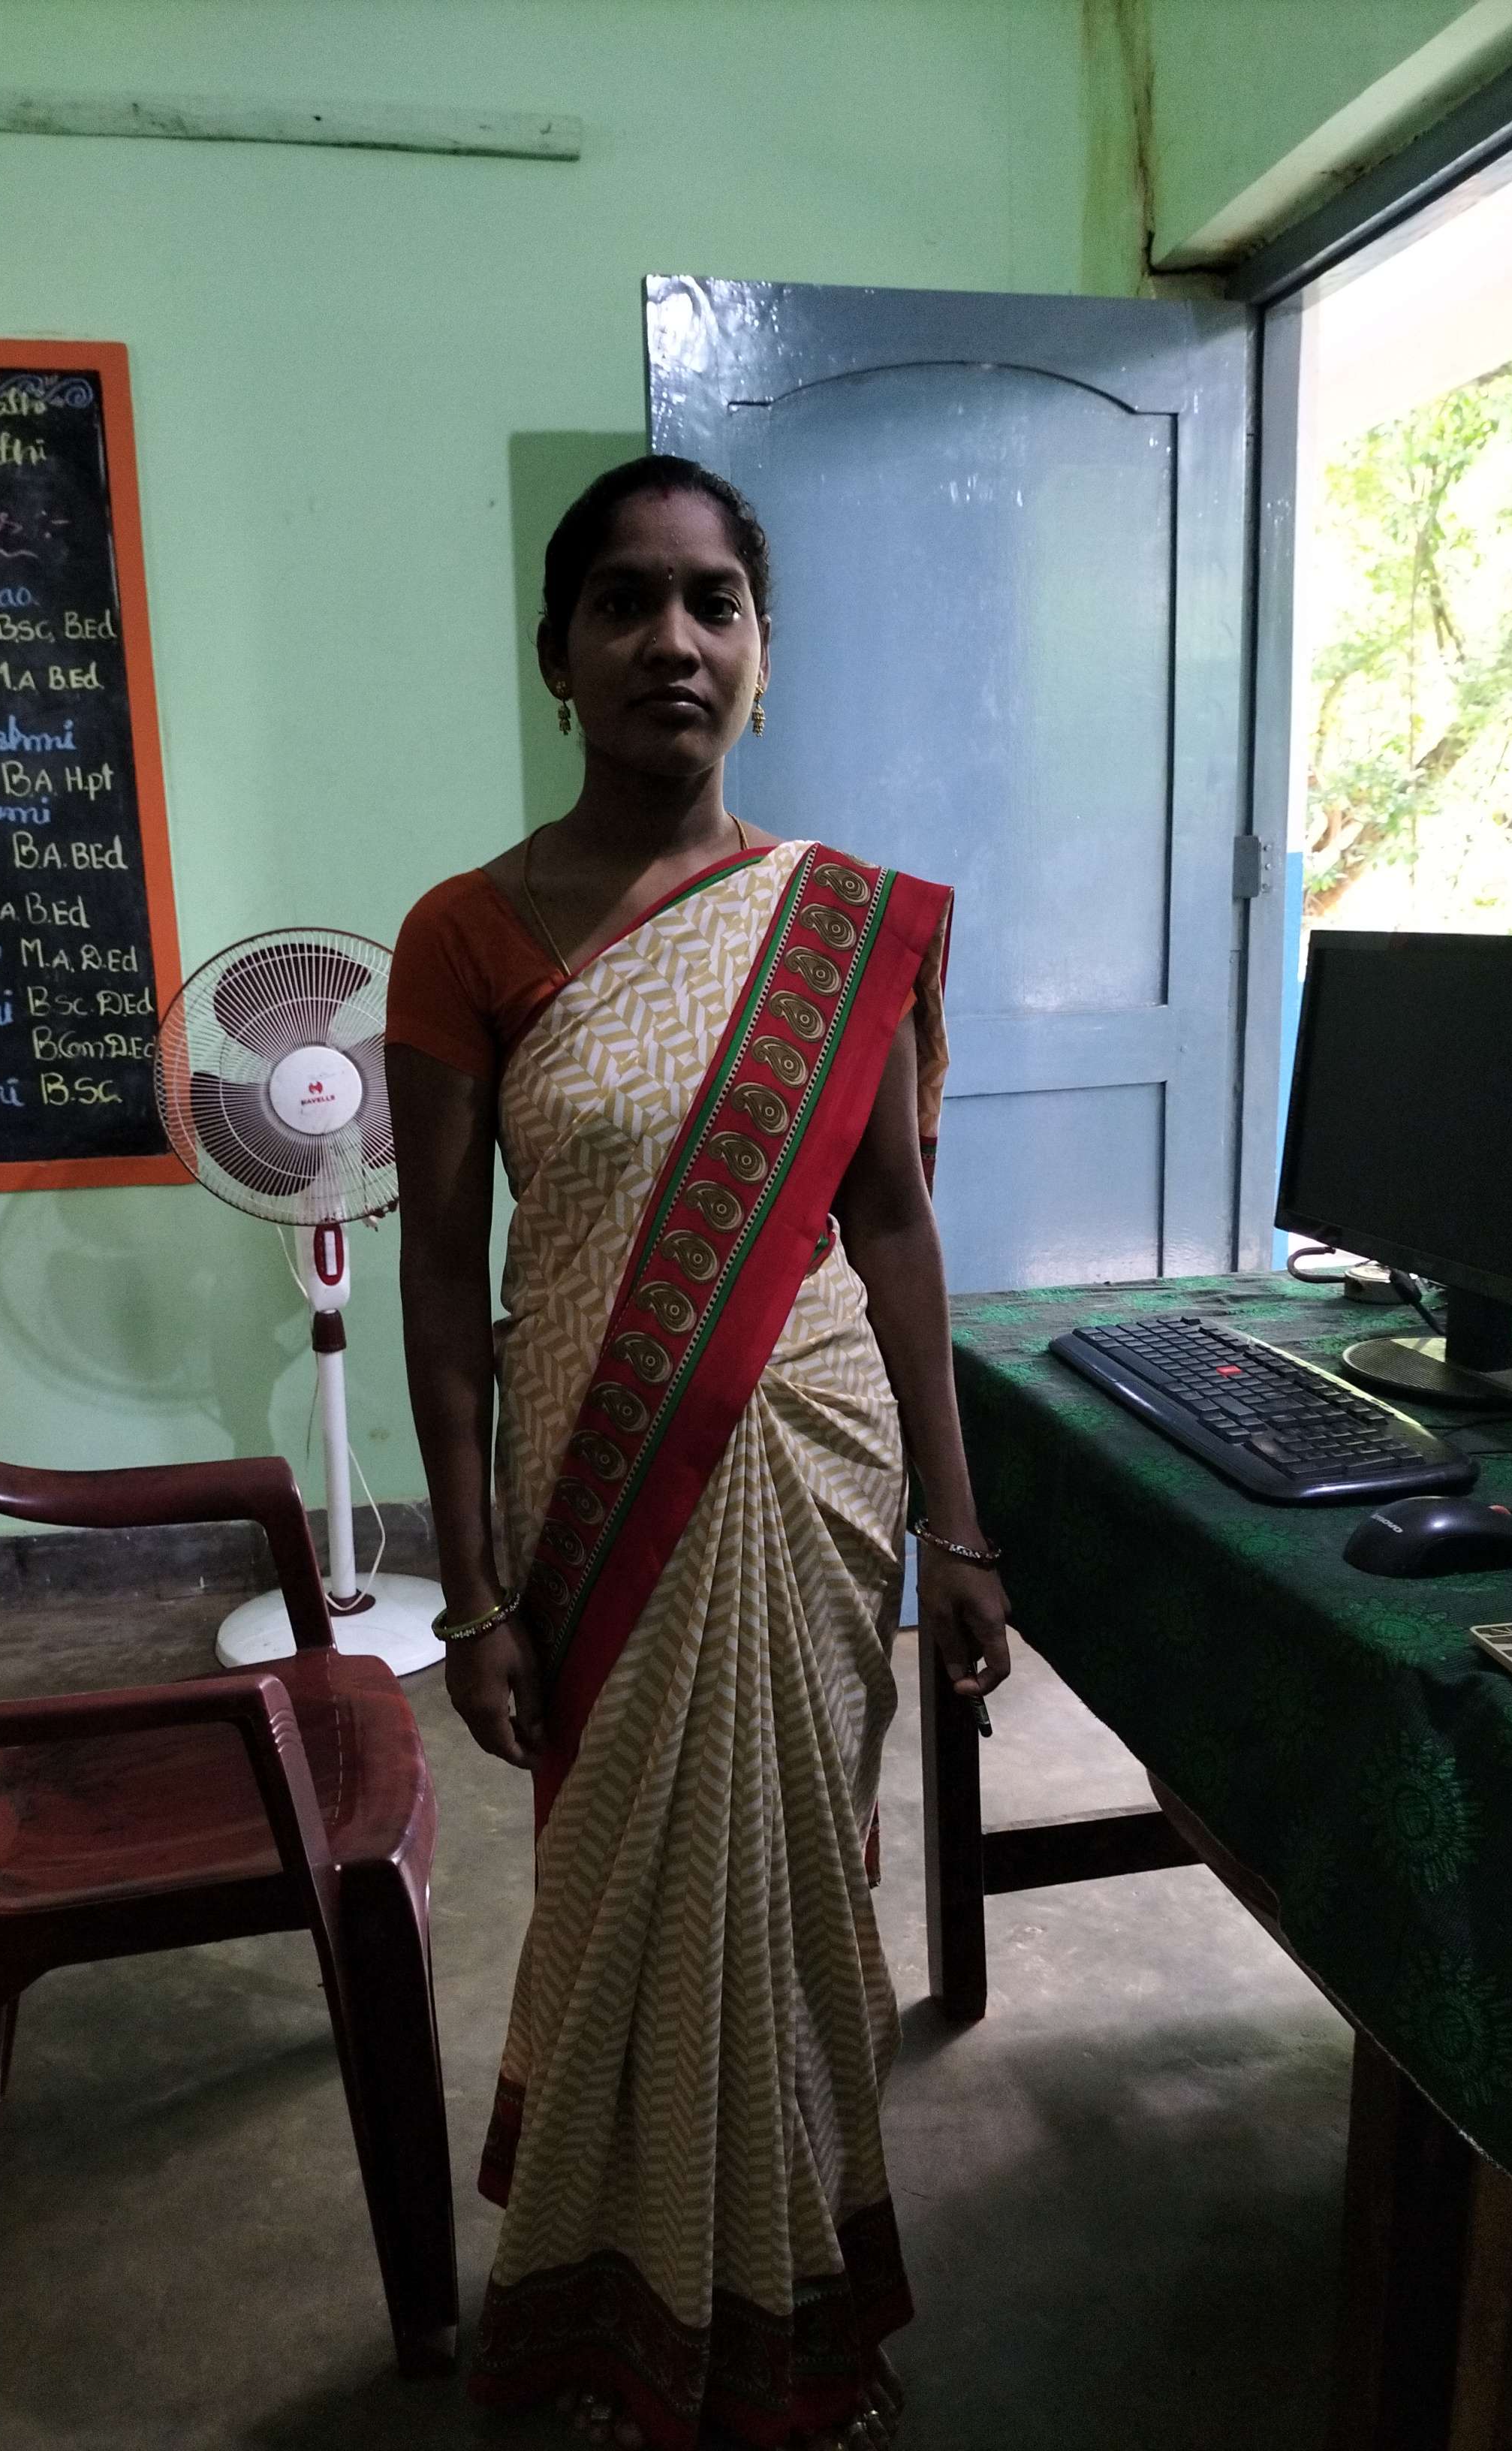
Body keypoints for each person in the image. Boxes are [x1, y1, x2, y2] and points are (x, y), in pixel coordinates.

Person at [385, 456, 1010, 2451]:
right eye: (625, 602)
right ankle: (612, 2308)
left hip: (816, 1465)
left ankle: (795, 2322)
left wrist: (961, 1532)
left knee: (794, 1895)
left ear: (761, 649)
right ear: (554, 652)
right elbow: (441, 1286)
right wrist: (472, 1592)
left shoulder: (842, 926)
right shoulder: (463, 936)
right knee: (625, 1901)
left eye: (713, 602)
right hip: (593, 1487)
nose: (673, 639)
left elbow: (894, 1227)